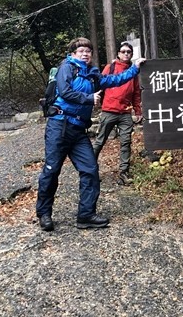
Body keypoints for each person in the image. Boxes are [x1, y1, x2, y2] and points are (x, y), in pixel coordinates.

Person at [35, 37, 146, 232]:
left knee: (90, 169)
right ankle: (44, 213)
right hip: (59, 126)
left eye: (88, 51)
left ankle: (85, 215)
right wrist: (88, 98)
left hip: (78, 130)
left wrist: (134, 69)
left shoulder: (92, 74)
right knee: (51, 171)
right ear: (73, 54)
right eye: (81, 51)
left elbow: (113, 80)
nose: (85, 54)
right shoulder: (67, 68)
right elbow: (65, 91)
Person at [93, 41, 142, 185]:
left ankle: (124, 173)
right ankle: (90, 170)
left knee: (126, 142)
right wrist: (92, 98)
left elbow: (136, 93)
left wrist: (137, 110)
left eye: (129, 52)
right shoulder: (111, 67)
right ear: (118, 53)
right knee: (100, 141)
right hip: (109, 110)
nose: (126, 54)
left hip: (125, 112)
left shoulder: (134, 71)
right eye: (123, 51)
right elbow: (100, 83)